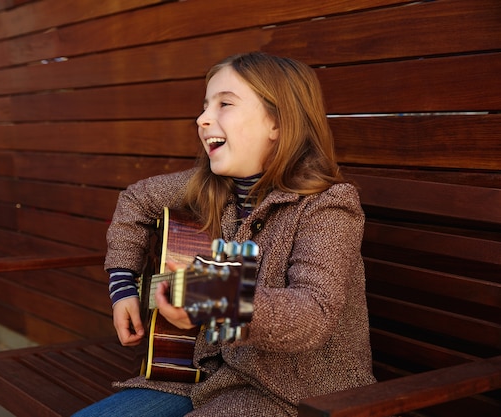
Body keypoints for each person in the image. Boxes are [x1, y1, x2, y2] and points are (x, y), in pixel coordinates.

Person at [71, 51, 376, 417]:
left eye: (225, 104)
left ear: (277, 123)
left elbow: (311, 315)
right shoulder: (212, 186)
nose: (202, 119)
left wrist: (210, 296)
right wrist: (122, 286)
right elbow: (136, 199)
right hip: (203, 376)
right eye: (204, 106)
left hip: (293, 396)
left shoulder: (327, 205)